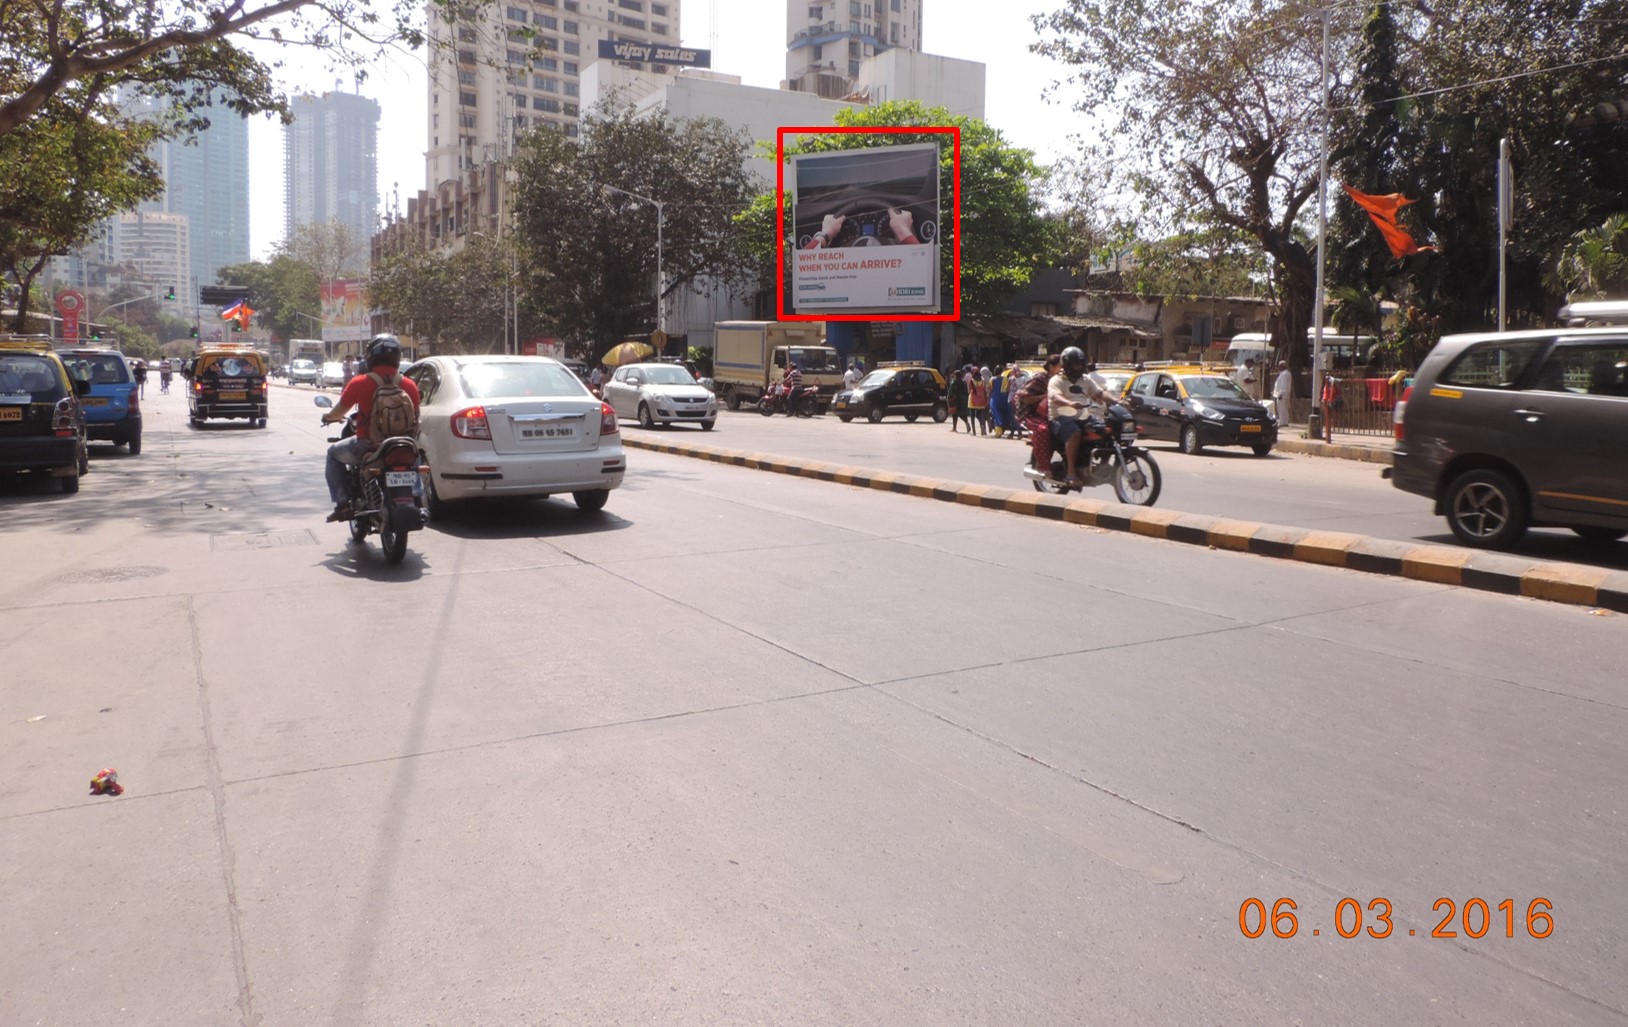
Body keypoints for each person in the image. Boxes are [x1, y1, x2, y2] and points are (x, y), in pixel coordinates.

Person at [321, 335, 421, 522]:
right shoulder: (410, 385)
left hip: (368, 444)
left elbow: (339, 412)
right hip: (403, 444)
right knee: (415, 458)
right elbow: (416, 417)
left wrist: (328, 417)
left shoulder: (360, 382)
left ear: (371, 357)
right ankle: (418, 498)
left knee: (332, 454)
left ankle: (343, 504)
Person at [1047, 347, 1120, 486]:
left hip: (1082, 416)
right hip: (1059, 418)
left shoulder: (1085, 379)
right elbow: (1055, 397)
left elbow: (1099, 393)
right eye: (1075, 364)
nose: (1078, 367)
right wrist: (1069, 403)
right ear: (1067, 365)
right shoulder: (1056, 380)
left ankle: (1101, 468)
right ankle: (1070, 473)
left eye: (1080, 364)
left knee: (1107, 431)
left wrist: (1117, 401)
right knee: (1075, 433)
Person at [967, 366, 990, 436]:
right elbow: (985, 390)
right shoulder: (983, 380)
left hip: (972, 400)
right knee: (980, 415)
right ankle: (982, 425)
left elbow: (968, 391)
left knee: (972, 416)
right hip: (981, 400)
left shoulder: (971, 380)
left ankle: (974, 431)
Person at [945, 365, 968, 432]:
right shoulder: (963, 382)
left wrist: (948, 398)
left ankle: (954, 428)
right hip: (963, 399)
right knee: (962, 413)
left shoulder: (954, 382)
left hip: (956, 400)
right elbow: (966, 391)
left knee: (955, 414)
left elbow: (950, 391)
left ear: (955, 375)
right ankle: (966, 422)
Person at [1272, 359, 1293, 427]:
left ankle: (1283, 422)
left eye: (1279, 366)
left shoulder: (1284, 374)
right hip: (1282, 394)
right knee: (1282, 408)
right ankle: (1283, 421)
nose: (1278, 367)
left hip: (1282, 395)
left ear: (1283, 366)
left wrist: (1281, 393)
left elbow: (1284, 385)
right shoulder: (1284, 374)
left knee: (1282, 408)